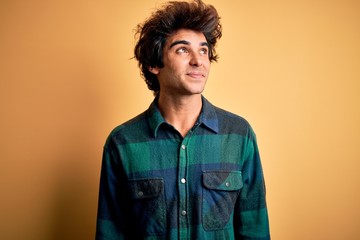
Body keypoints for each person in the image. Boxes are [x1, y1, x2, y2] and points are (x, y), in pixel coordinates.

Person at [96, 0, 270, 239]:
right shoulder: (122, 143)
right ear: (154, 64)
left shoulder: (239, 135)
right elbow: (111, 233)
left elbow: (255, 230)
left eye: (203, 50)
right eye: (182, 50)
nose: (198, 61)